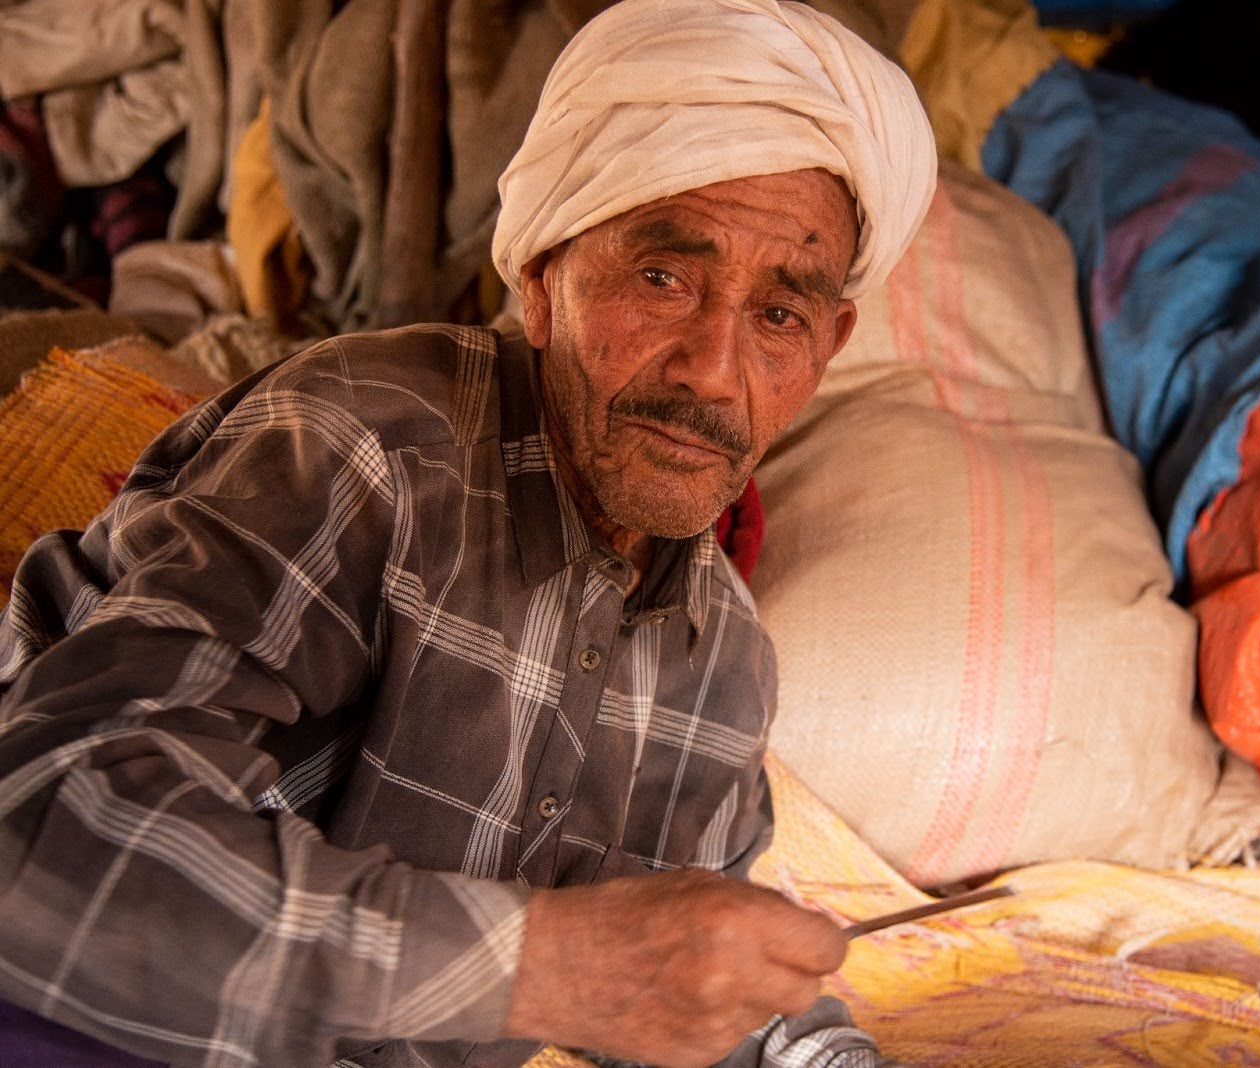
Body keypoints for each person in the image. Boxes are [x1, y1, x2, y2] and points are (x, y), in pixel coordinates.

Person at [0, 1, 937, 1065]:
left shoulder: (720, 667)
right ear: (540, 279)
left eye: (778, 316)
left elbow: (698, 974)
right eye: (663, 279)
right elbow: (40, 818)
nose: (713, 373)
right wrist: (552, 966)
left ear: (829, 344)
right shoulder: (364, 445)